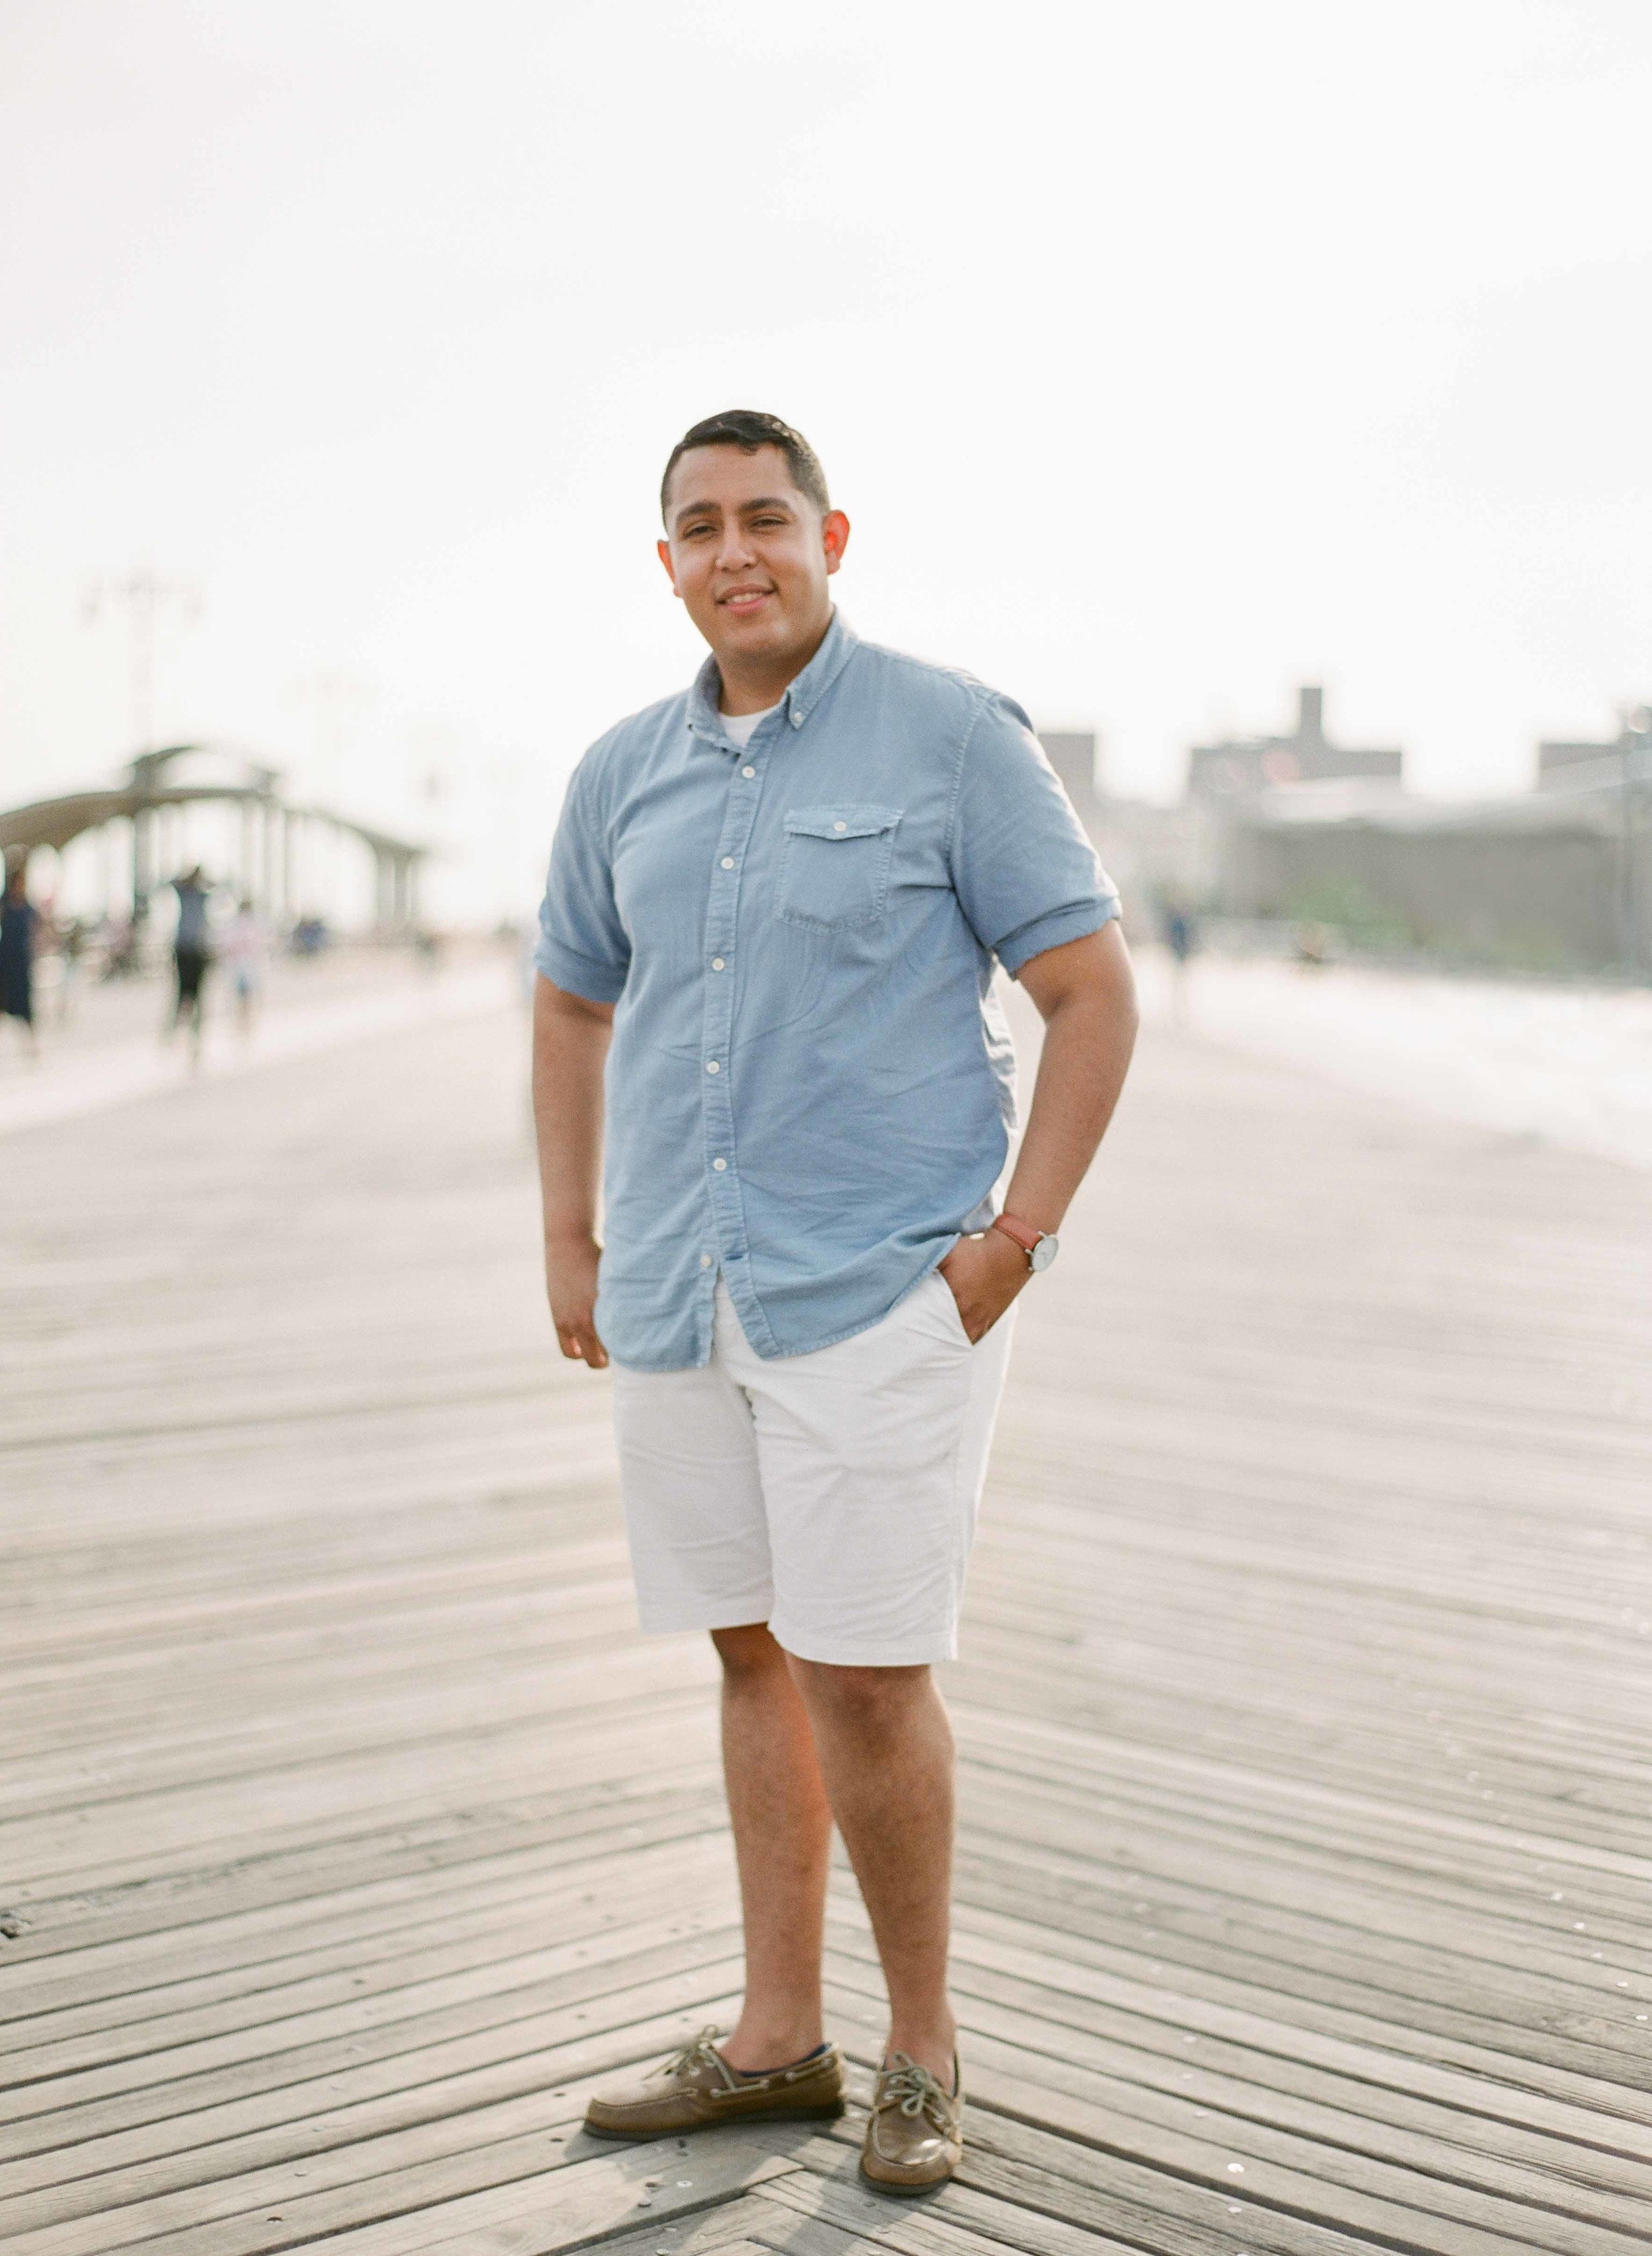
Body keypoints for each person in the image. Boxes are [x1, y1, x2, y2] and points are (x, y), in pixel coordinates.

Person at [531, 410, 1138, 2193]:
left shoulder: (950, 734)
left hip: (885, 1287)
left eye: (766, 519)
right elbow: (573, 1001)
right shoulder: (617, 771)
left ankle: (923, 2046)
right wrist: (569, 1237)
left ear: (830, 535)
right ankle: (775, 2036)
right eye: (700, 526)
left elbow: (1089, 995)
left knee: (869, 1677)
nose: (737, 550)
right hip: (673, 1289)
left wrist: (1009, 1244)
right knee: (748, 1651)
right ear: (667, 563)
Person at [168, 866, 213, 1051]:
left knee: (198, 997)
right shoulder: (184, 894)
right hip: (184, 950)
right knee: (182, 995)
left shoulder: (202, 897)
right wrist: (187, 876)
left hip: (198, 951)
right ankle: (176, 1034)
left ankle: (194, 1036)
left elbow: (222, 886)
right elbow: (171, 882)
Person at [1, 856, 40, 1059]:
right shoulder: (4, 903)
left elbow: (37, 930)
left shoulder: (27, 906)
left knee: (25, 1006)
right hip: (5, 960)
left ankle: (32, 1046)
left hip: (21, 962)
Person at [220, 898, 266, 1037]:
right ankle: (245, 1022)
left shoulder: (234, 924)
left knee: (242, 996)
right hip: (247, 964)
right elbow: (257, 945)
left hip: (238, 964)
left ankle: (242, 1022)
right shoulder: (251, 924)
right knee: (246, 996)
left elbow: (227, 945)